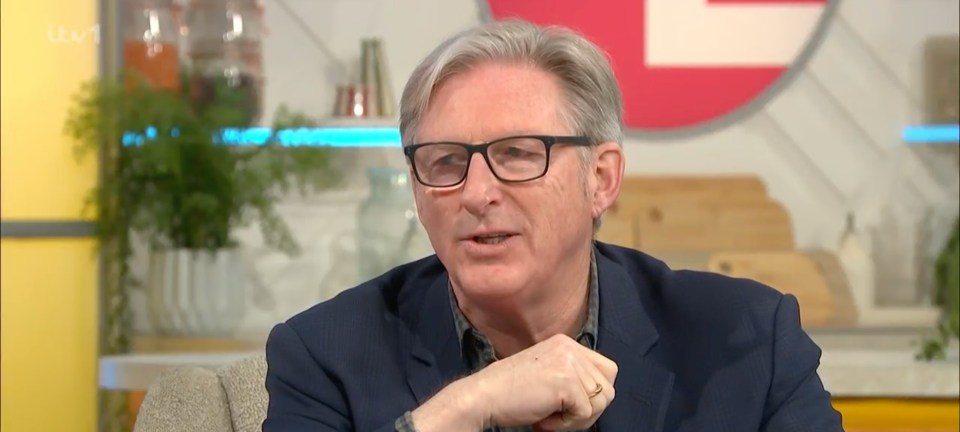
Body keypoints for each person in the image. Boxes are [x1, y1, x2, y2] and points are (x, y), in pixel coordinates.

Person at [263, 19, 844, 432]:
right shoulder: (325, 354)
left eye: (519, 153)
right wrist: (461, 411)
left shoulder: (747, 340)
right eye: (444, 161)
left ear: (602, 179)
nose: (476, 193)